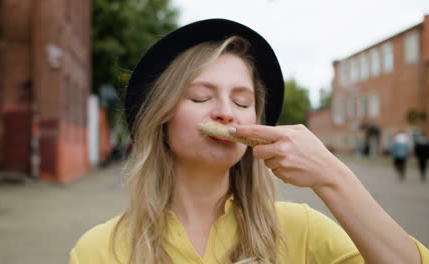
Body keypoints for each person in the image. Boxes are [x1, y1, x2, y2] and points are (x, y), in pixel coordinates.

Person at [69, 19, 428, 263]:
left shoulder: (300, 229)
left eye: (242, 102)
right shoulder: (101, 250)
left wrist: (332, 177)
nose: (227, 112)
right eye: (200, 97)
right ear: (162, 120)